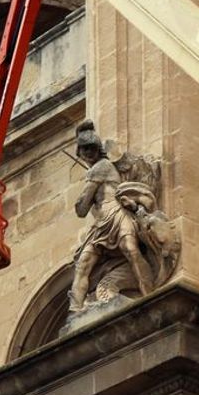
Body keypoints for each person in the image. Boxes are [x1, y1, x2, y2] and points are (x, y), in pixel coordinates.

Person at [68, 121, 156, 312]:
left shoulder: (102, 166)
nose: (88, 153)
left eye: (91, 148)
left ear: (98, 149)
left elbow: (81, 208)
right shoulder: (96, 170)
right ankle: (75, 309)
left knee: (131, 251)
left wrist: (85, 195)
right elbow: (84, 208)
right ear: (79, 153)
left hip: (117, 215)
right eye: (84, 150)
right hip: (101, 224)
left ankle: (149, 293)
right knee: (83, 263)